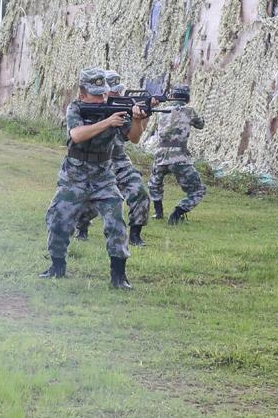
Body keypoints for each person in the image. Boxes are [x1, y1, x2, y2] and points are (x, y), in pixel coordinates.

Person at [40, 67, 144, 289]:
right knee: (59, 222)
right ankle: (57, 267)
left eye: (103, 93)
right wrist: (107, 122)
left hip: (104, 178)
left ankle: (119, 276)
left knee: (116, 223)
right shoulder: (75, 108)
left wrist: (137, 120)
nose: (101, 99)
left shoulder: (114, 109)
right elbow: (77, 135)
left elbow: (134, 138)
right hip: (74, 177)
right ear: (82, 93)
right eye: (96, 94)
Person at [75, 70, 152, 246]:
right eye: (113, 91)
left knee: (139, 191)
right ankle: (82, 227)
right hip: (96, 162)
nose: (117, 94)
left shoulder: (121, 109)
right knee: (91, 202)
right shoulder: (87, 108)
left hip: (118, 160)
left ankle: (135, 235)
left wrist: (140, 118)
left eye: (119, 90)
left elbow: (134, 137)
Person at [147, 85, 206, 224]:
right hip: (179, 157)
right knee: (198, 190)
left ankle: (158, 212)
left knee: (155, 183)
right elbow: (200, 125)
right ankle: (178, 212)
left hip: (160, 154)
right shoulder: (189, 111)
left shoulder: (162, 111)